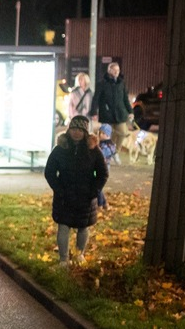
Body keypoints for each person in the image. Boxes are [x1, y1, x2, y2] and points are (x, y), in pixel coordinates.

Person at [44, 115, 108, 265]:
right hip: (64, 196)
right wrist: (59, 189)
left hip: (85, 196)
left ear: (85, 132)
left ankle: (80, 255)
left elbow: (103, 173)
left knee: (83, 227)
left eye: (80, 130)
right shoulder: (60, 149)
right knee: (63, 226)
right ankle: (63, 260)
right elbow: (50, 172)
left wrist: (94, 191)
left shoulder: (94, 150)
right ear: (69, 129)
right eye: (73, 129)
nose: (76, 133)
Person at [90, 62, 132, 150]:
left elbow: (125, 99)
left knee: (123, 132)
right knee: (107, 135)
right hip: (106, 114)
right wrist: (94, 112)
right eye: (114, 70)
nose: (117, 72)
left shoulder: (121, 83)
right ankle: (106, 152)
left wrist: (130, 111)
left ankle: (115, 150)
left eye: (118, 70)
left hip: (120, 114)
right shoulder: (101, 83)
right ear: (109, 70)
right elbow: (96, 98)